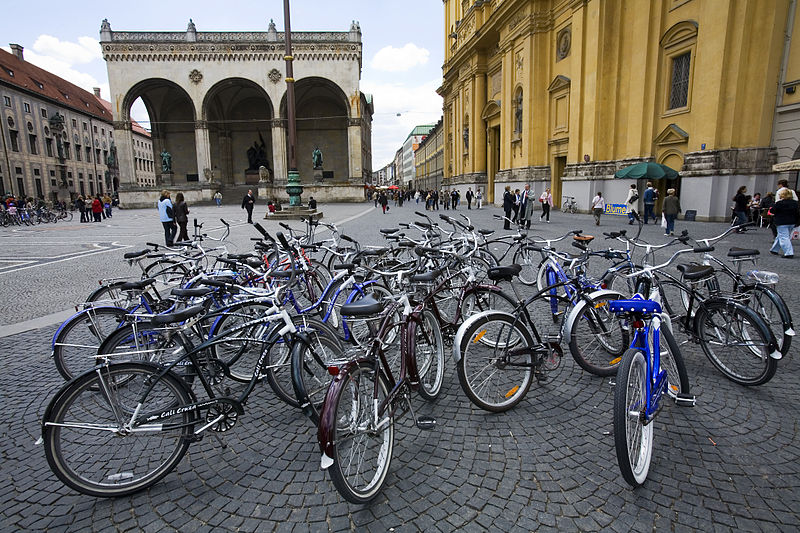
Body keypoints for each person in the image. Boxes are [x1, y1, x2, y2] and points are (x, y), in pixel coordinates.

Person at [769, 189, 798, 258]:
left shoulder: (780, 203)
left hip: (782, 222)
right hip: (792, 222)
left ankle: (789, 253)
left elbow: (772, 210)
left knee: (784, 237)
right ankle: (774, 249)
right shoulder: (795, 203)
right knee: (781, 235)